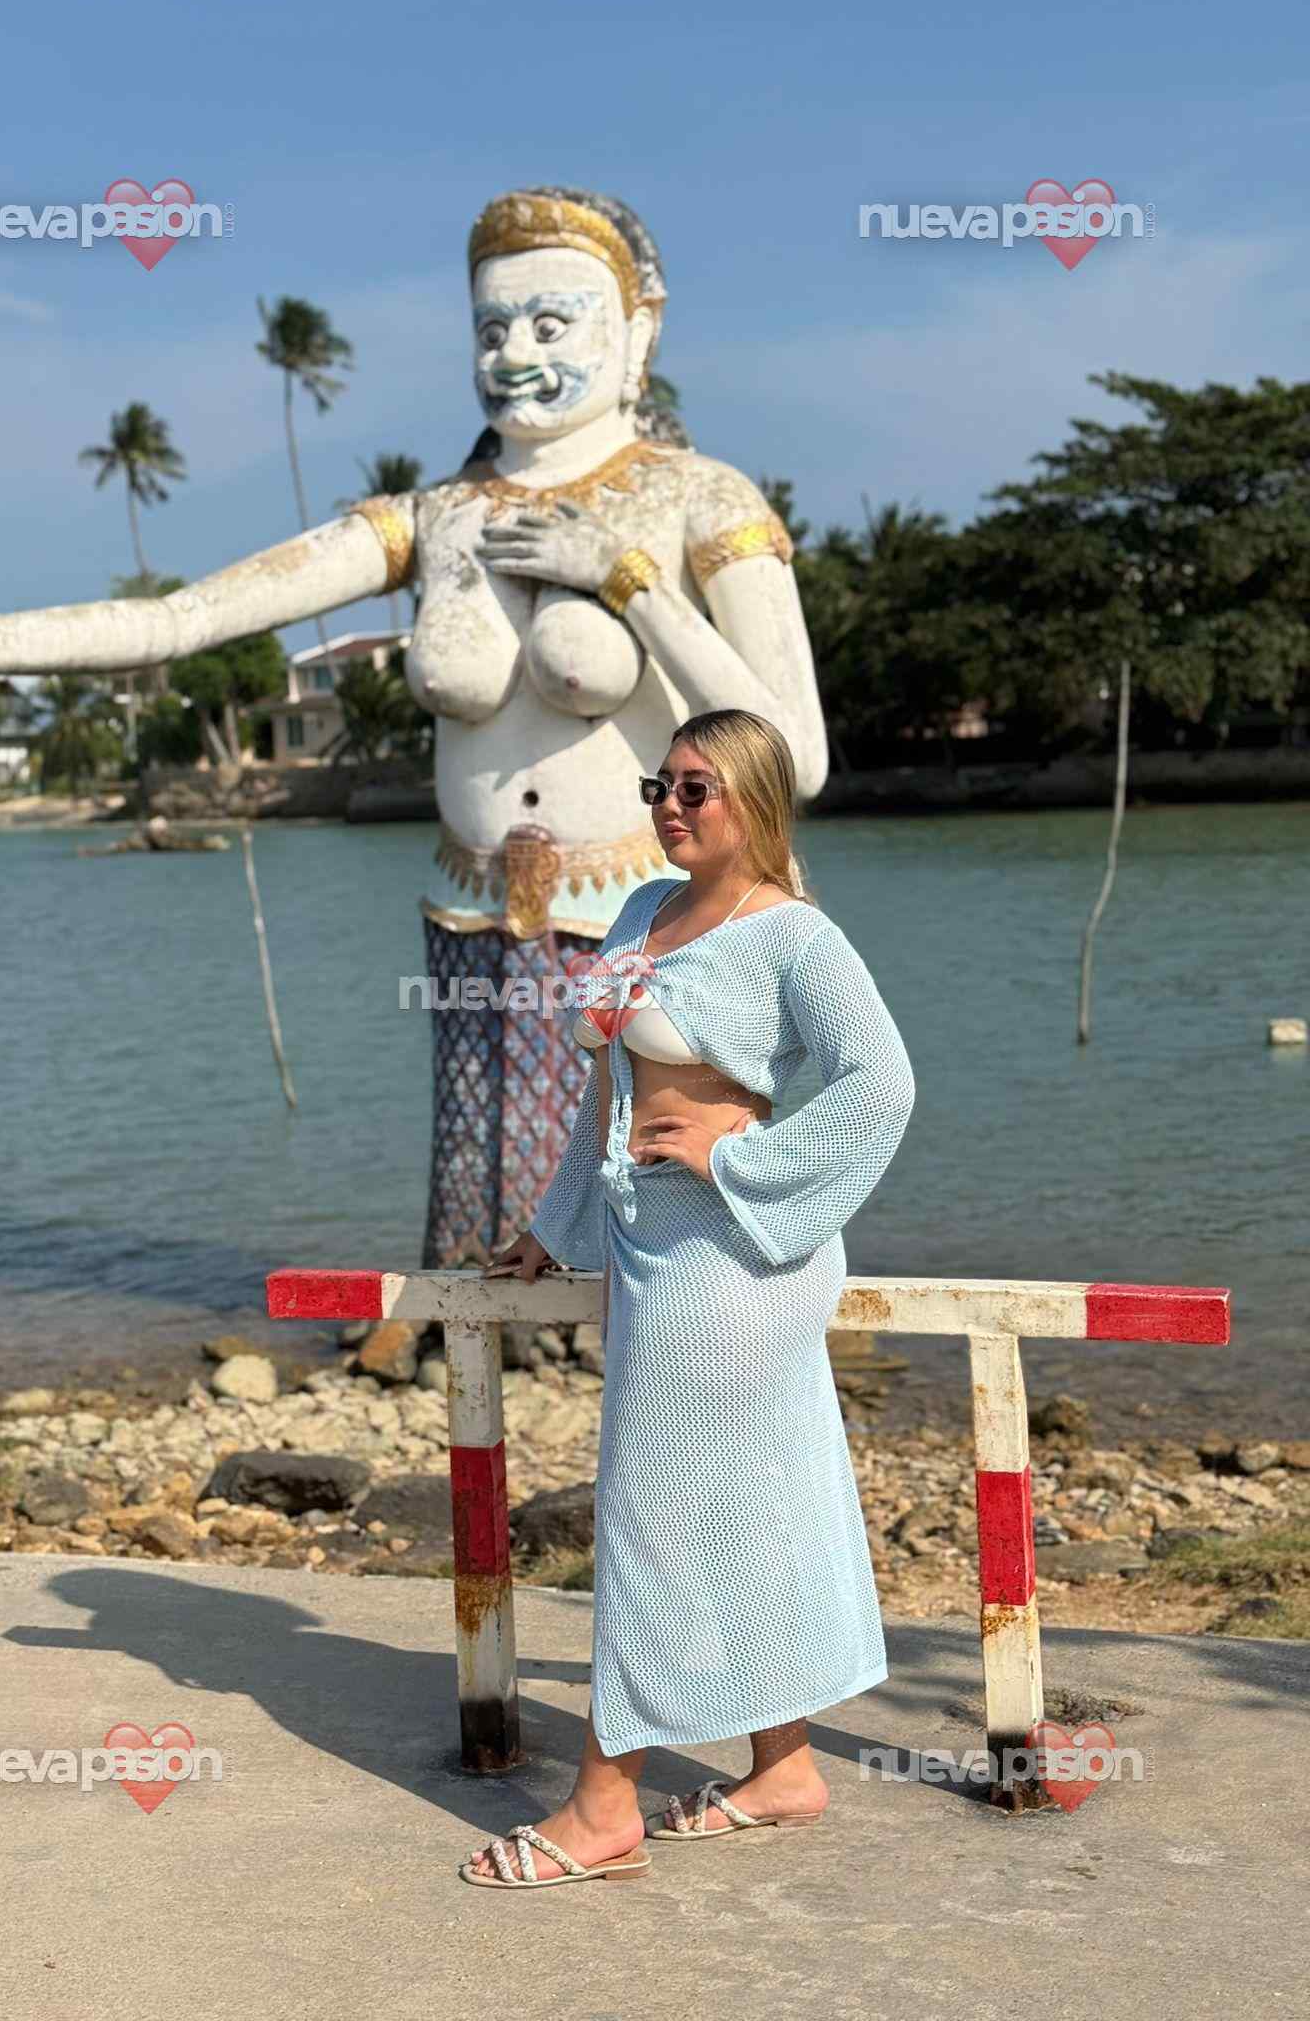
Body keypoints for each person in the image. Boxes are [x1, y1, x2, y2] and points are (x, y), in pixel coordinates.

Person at [0, 185, 830, 1270]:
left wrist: (627, 579)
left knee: (651, 1188)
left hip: (651, 920)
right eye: (491, 328)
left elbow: (796, 755)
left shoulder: (697, 498)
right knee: (483, 1181)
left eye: (552, 324)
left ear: (639, 332)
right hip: (473, 915)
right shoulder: (433, 517)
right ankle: (469, 1329)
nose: (515, 354)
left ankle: (687, 1325)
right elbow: (184, 618)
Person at [463, 706, 915, 1890]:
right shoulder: (640, 913)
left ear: (754, 801)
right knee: (745, 1504)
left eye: (695, 788)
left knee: (650, 1516)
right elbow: (610, 1092)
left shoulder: (796, 936)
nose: (669, 804)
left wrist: (739, 1157)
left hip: (733, 1257)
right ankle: (785, 1766)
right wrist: (551, 1225)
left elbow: (882, 1085)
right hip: (645, 1243)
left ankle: (604, 1801)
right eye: (660, 784)